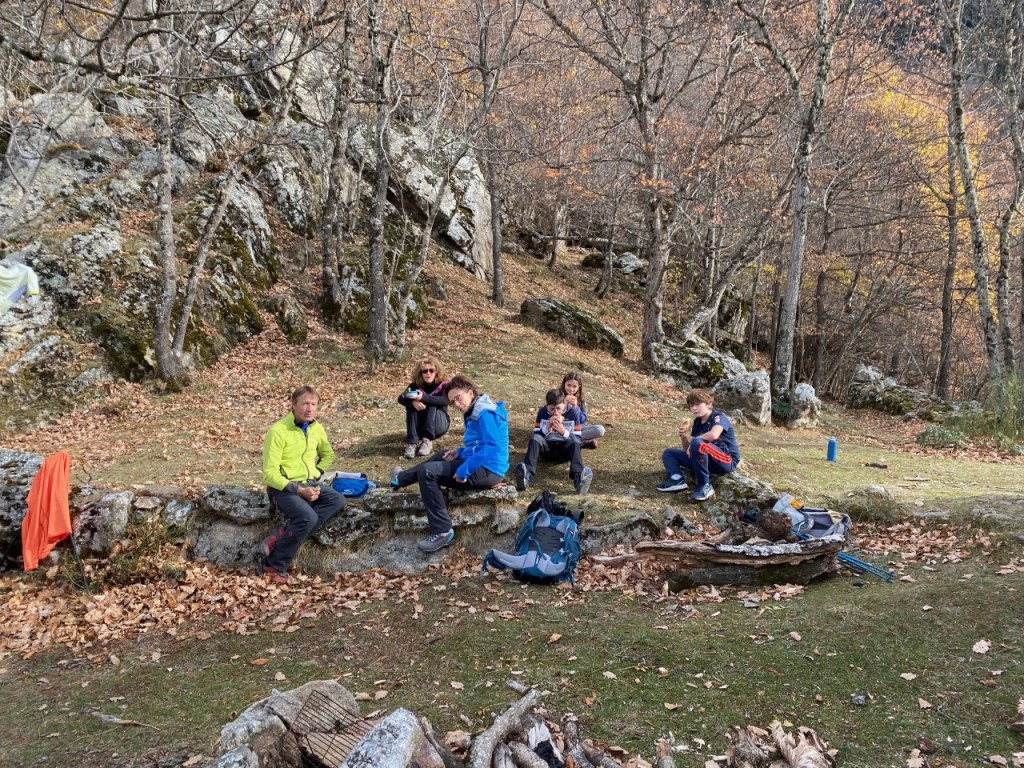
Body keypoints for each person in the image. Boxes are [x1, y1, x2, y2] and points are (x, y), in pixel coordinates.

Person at [390, 374, 509, 553]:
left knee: (428, 472)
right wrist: (460, 452)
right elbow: (479, 444)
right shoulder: (476, 409)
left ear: (470, 392)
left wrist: (464, 470)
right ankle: (401, 479)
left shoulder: (484, 412)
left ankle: (442, 531)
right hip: (485, 465)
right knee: (442, 455)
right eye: (452, 402)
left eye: (458, 398)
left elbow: (491, 447)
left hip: (487, 470)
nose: (457, 405)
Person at [259, 385, 345, 583]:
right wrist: (299, 490)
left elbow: (328, 454)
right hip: (282, 489)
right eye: (305, 403)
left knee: (337, 500)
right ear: (293, 405)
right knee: (307, 517)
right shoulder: (278, 431)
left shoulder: (317, 428)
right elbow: (270, 475)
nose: (310, 409)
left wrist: (318, 474)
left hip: (309, 484)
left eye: (314, 404)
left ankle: (282, 536)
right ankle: (272, 565)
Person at [657, 388, 740, 501]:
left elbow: (714, 435)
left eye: (697, 404)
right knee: (669, 453)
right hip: (705, 461)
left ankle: (705, 486)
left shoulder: (718, 417)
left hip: (726, 460)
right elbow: (689, 450)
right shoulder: (697, 422)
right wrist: (684, 437)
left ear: (709, 404)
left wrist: (694, 439)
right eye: (691, 406)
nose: (694, 408)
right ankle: (676, 479)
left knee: (697, 442)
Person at [514, 388, 594, 495]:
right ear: (547, 406)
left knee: (574, 443)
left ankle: (578, 478)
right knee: (534, 439)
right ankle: (526, 475)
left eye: (558, 408)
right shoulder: (542, 412)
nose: (555, 412)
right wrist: (546, 428)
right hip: (547, 450)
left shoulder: (573, 413)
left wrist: (563, 432)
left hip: (564, 451)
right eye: (552, 409)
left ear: (564, 404)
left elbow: (578, 439)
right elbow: (536, 434)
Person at [397, 355, 450, 459]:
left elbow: (446, 400)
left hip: (438, 425)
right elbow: (401, 398)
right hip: (420, 426)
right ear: (420, 373)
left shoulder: (443, 385)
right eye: (424, 371)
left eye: (431, 370)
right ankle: (412, 443)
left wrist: (424, 397)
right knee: (412, 402)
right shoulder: (415, 386)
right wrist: (412, 402)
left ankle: (427, 440)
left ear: (436, 372)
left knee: (431, 402)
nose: (428, 373)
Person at [560, 372, 605, 448]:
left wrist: (575, 407)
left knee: (600, 430)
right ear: (564, 384)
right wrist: (563, 405)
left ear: (579, 387)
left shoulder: (581, 399)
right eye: (569, 385)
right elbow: (550, 413)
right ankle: (580, 442)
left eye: (575, 386)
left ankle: (572, 440)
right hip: (561, 428)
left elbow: (582, 420)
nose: (571, 389)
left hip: (577, 428)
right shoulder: (557, 395)